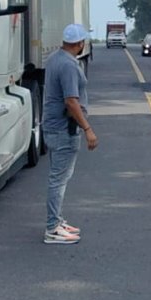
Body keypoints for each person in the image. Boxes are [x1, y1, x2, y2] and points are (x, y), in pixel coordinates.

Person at [42, 22, 99, 244]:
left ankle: (56, 221)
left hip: (56, 127)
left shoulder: (56, 58)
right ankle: (52, 228)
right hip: (64, 129)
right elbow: (71, 101)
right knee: (58, 179)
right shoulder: (68, 65)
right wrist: (88, 129)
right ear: (79, 43)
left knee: (60, 177)